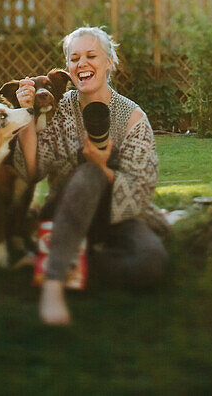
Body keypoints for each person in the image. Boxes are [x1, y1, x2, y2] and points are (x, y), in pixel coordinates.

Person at [15, 26, 169, 325]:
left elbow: (140, 188)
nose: (82, 63)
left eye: (91, 56)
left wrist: (104, 170)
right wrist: (27, 115)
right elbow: (31, 171)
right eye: (74, 58)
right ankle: (54, 283)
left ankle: (59, 260)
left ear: (109, 62)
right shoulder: (58, 109)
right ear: (69, 68)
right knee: (87, 174)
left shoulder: (132, 117)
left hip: (118, 215)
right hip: (66, 210)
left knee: (152, 263)